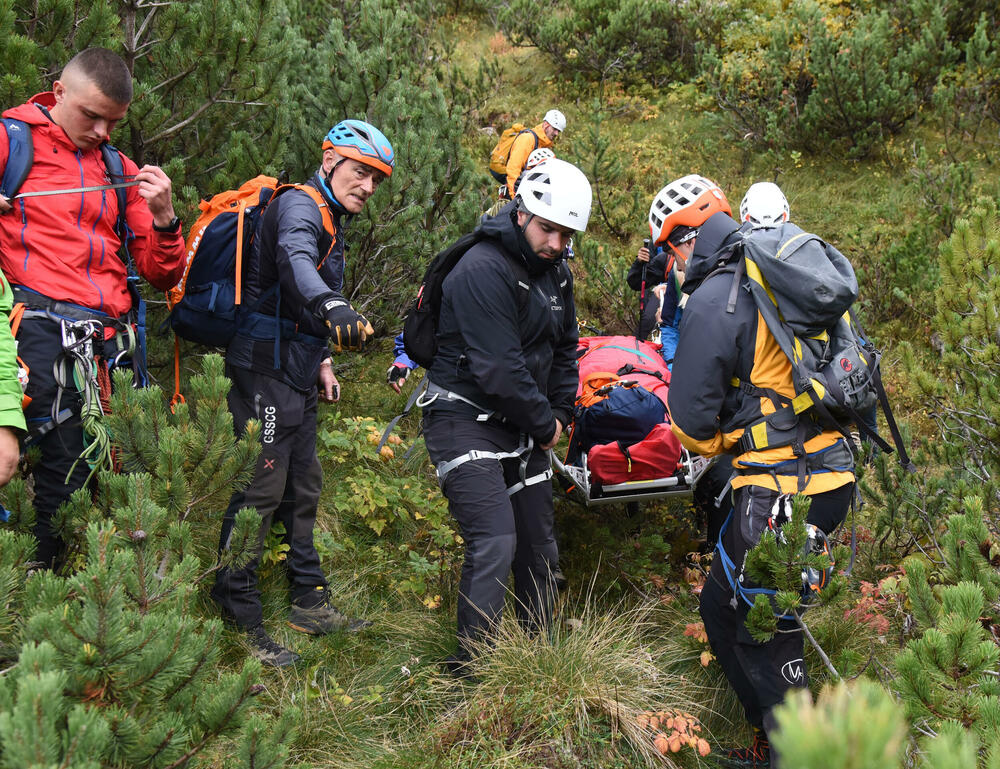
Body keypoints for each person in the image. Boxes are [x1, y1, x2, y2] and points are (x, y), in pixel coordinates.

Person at [668, 206, 857, 769]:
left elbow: (692, 424)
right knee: (722, 607)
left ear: (688, 243)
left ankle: (797, 755)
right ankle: (772, 741)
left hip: (776, 493)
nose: (671, 265)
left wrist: (730, 436)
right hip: (832, 478)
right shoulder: (789, 282)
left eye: (670, 251)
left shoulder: (715, 298)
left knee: (762, 628)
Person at [210, 119, 392, 667]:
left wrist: (324, 358)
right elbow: (294, 266)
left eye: (376, 180)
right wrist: (331, 307)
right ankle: (236, 612)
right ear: (331, 159)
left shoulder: (330, 216)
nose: (367, 186)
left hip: (296, 370)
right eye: (360, 172)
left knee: (303, 485)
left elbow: (290, 293)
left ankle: (308, 599)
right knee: (260, 488)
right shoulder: (300, 207)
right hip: (263, 371)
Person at [0, 48, 185, 568]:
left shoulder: (115, 167)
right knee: (61, 465)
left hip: (110, 342)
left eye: (113, 121)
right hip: (37, 326)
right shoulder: (10, 141)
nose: (103, 130)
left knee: (114, 468)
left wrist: (166, 217)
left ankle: (94, 593)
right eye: (92, 115)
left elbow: (161, 272)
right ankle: (39, 586)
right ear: (59, 92)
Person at [421, 158, 590, 676]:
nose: (558, 244)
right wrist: (546, 425)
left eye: (567, 235)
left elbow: (565, 350)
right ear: (521, 213)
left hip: (522, 422)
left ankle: (537, 660)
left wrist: (558, 412)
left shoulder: (556, 275)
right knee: (495, 540)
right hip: (461, 417)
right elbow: (499, 369)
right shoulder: (481, 269)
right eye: (549, 230)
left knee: (538, 545)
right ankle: (472, 672)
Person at [626, 175, 730, 368]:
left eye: (671, 250)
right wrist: (673, 368)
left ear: (691, 242)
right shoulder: (676, 272)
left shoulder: (743, 275)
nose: (675, 260)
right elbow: (669, 326)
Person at [490, 110, 565, 198]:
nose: (556, 133)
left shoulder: (543, 145)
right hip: (513, 189)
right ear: (546, 125)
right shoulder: (527, 139)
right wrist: (514, 197)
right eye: (554, 129)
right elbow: (513, 169)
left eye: (558, 131)